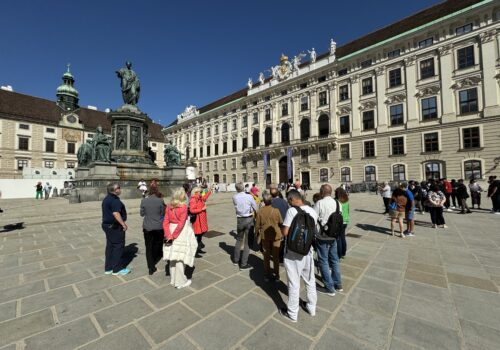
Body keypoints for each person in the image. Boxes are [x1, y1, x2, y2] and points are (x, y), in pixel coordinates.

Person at [279, 190, 318, 323]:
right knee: (310, 280)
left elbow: (285, 232)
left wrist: (281, 228)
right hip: (307, 251)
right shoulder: (312, 210)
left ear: (291, 200)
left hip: (293, 253)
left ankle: (292, 313)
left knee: (294, 283)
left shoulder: (291, 211)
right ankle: (312, 308)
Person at [163, 188, 198, 289]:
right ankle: (180, 281)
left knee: (172, 257)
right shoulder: (183, 207)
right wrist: (173, 236)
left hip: (170, 230)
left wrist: (168, 234)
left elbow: (165, 221)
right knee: (179, 258)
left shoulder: (169, 206)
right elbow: (181, 224)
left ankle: (173, 279)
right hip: (180, 233)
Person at [314, 184, 343, 295]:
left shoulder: (320, 203)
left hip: (323, 236)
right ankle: (338, 284)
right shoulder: (337, 203)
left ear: (322, 192)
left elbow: (313, 217)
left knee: (323, 261)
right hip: (334, 236)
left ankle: (329, 287)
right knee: (334, 260)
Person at [101, 183, 130, 275]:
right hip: (114, 227)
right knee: (118, 246)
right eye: (118, 188)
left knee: (110, 246)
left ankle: (108, 268)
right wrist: (123, 224)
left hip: (107, 225)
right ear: (114, 190)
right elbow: (116, 213)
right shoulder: (114, 200)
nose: (120, 189)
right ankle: (117, 269)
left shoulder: (107, 198)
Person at [255, 193, 283, 281]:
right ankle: (277, 275)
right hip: (276, 235)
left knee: (266, 256)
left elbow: (257, 226)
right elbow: (281, 222)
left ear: (264, 201)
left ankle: (267, 274)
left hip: (265, 236)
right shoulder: (276, 210)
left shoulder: (260, 211)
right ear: (271, 201)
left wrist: (256, 234)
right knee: (275, 257)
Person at [140, 183, 165, 275]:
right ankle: (155, 258)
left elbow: (142, 214)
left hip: (147, 227)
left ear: (149, 191)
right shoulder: (160, 200)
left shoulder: (144, 201)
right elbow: (163, 213)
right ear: (157, 191)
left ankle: (151, 267)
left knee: (148, 247)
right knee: (157, 244)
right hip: (158, 227)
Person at [232, 182, 258, 269]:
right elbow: (256, 207)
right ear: (243, 188)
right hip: (249, 219)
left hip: (239, 219)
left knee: (239, 240)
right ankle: (243, 263)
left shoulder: (234, 197)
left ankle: (236, 260)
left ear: (236, 189)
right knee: (247, 242)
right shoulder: (249, 196)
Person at [189, 187, 212, 257]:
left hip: (202, 220)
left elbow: (204, 198)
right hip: (197, 220)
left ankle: (198, 248)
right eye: (200, 192)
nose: (201, 193)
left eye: (201, 192)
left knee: (201, 234)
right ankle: (194, 251)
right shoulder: (193, 200)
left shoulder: (199, 198)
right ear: (195, 192)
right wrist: (201, 209)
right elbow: (192, 210)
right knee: (197, 235)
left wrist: (209, 191)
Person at [335, 187, 349, 259]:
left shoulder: (337, 201)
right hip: (345, 220)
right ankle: (343, 252)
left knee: (338, 238)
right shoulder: (346, 200)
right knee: (343, 237)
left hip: (340, 221)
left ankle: (339, 254)